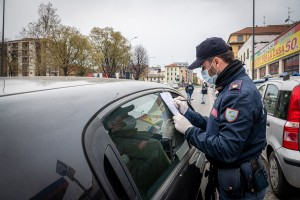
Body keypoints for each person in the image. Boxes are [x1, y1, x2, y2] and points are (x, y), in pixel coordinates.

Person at [172, 37, 268, 200]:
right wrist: (188, 114)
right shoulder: (232, 86)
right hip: (237, 182)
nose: (203, 73)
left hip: (241, 190)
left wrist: (189, 131)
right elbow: (219, 126)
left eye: (204, 67)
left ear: (216, 62)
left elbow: (226, 149)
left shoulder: (238, 95)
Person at [104, 105, 171, 196]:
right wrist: (167, 138)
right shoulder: (123, 144)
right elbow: (155, 149)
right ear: (113, 125)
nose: (130, 117)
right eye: (124, 117)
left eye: (128, 114)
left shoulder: (124, 137)